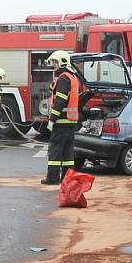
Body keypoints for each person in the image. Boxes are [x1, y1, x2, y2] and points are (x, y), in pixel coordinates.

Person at [42, 50, 80, 185]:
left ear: (62, 62)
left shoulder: (63, 78)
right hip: (71, 121)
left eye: (56, 62)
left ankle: (52, 178)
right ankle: (67, 178)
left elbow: (60, 101)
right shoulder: (73, 78)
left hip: (61, 121)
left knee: (55, 150)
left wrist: (52, 119)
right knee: (68, 152)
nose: (54, 65)